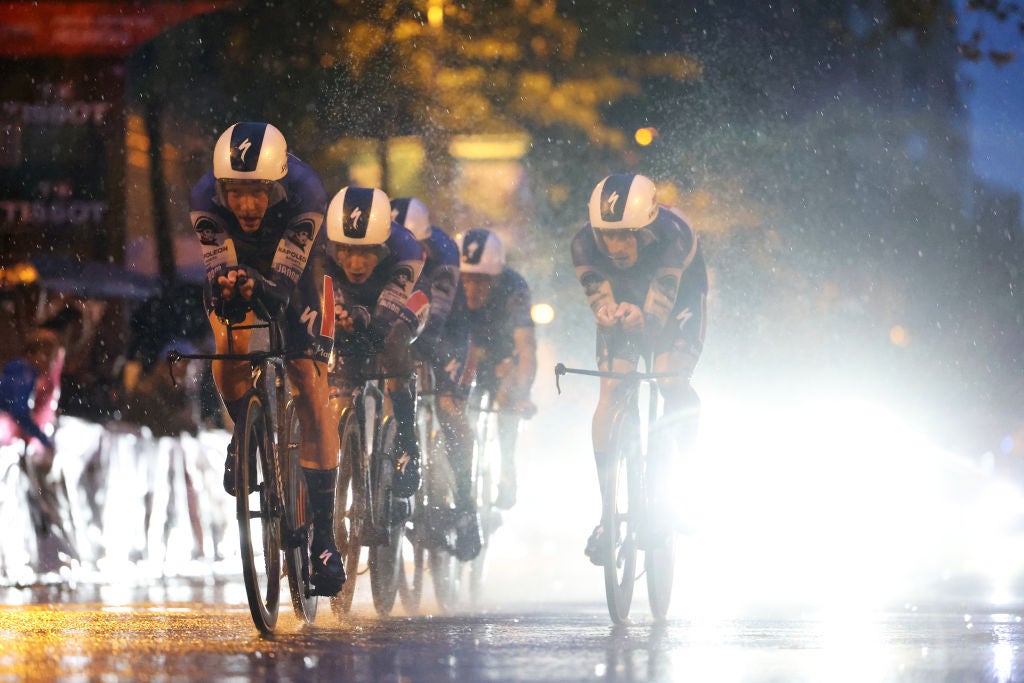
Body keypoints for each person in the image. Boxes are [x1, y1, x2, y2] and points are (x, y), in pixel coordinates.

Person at [189, 121, 344, 596]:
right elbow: (220, 279)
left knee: (309, 381)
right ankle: (244, 431)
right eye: (236, 193)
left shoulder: (306, 191)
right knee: (230, 340)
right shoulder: (203, 197)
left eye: (257, 193)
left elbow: (282, 287)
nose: (247, 205)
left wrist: (260, 286)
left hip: (300, 277)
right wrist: (232, 288)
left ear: (276, 184)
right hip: (242, 265)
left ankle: (324, 537)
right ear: (221, 188)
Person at [571, 173, 707, 564]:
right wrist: (608, 312)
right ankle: (606, 514)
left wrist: (643, 318)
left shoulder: (674, 235)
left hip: (680, 296)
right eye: (607, 236)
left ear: (647, 229)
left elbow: (661, 304)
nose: (615, 246)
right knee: (611, 391)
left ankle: (684, 477)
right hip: (627, 297)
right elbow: (600, 299)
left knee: (668, 378)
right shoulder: (582, 243)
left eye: (627, 235)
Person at [324, 187, 428, 503]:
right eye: (346, 251)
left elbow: (382, 323)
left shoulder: (406, 247)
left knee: (391, 342)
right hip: (355, 302)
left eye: (367, 252)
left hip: (405, 298)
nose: (355, 263)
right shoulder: (320, 245)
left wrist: (362, 330)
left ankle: (407, 442)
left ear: (383, 247)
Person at [392, 197, 481, 561]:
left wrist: (413, 352)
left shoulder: (444, 253)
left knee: (447, 406)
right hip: (406, 316)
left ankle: (465, 502)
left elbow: (438, 319)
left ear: (427, 244)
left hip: (449, 332)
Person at [456, 228, 537, 511]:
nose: (472, 290)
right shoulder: (447, 280)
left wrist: (522, 392)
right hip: (463, 351)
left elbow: (526, 347)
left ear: (498, 278)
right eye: (466, 279)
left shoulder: (514, 288)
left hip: (501, 355)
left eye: (482, 281)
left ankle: (507, 466)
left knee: (507, 393)